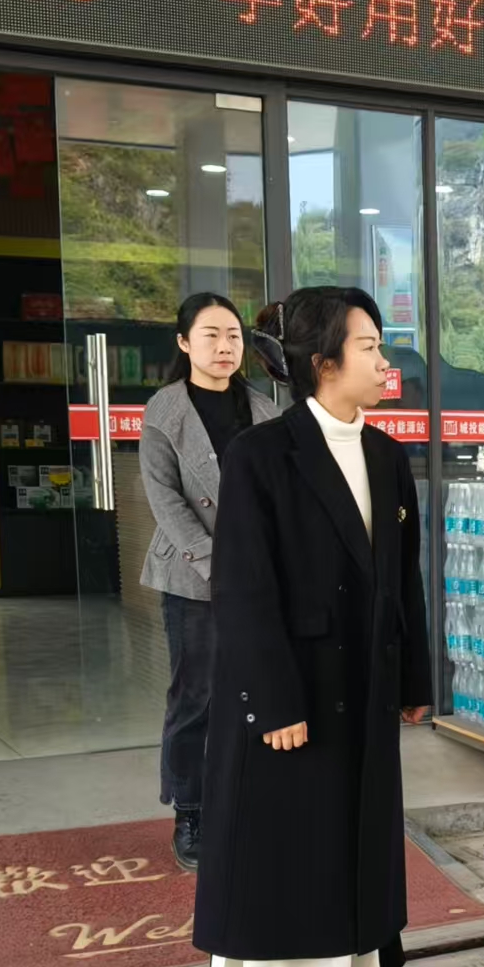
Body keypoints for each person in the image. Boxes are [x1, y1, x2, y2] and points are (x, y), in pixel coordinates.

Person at [193, 287, 433, 967]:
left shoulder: (385, 454)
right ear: (323, 361)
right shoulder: (262, 455)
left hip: (362, 692)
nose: (384, 360)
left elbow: (403, 580)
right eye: (370, 346)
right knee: (294, 864)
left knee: (342, 859)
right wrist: (276, 704)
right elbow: (242, 589)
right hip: (295, 701)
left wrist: (413, 679)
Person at [139, 293, 278, 872]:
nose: (225, 347)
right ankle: (190, 812)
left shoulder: (264, 408)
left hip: (260, 573)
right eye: (211, 335)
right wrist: (216, 562)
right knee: (196, 696)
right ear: (184, 342)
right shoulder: (164, 409)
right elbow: (165, 499)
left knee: (258, 691)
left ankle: (245, 801)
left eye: (233, 336)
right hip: (194, 576)